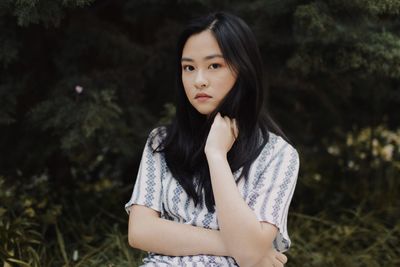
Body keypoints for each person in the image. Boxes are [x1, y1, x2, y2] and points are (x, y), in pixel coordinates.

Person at [125, 11, 300, 267]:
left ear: (244, 69)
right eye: (189, 68)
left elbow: (249, 256)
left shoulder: (278, 155)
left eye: (214, 66)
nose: (199, 81)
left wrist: (216, 155)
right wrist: (237, 245)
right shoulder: (161, 142)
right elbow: (140, 232)